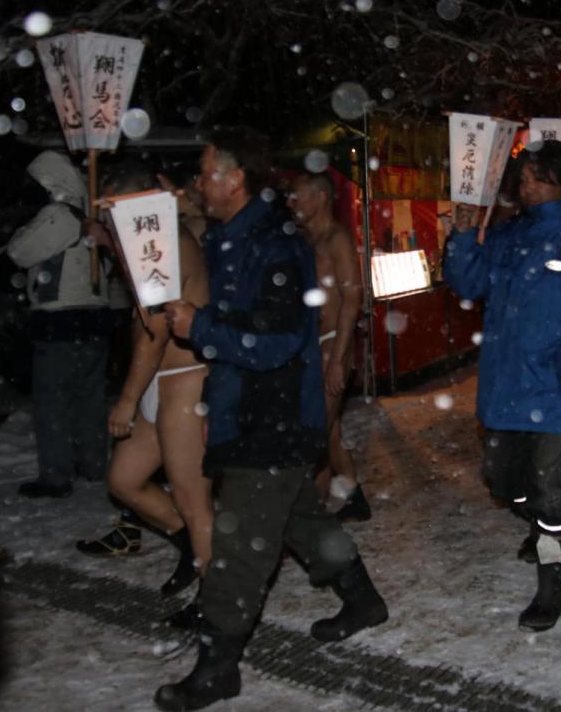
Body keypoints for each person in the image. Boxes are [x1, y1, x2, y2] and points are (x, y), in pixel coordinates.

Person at [157, 128, 387, 711]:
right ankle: (362, 600)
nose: (199, 184)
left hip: (277, 413)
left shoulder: (274, 244)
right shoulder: (234, 236)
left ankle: (217, 667)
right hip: (248, 407)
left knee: (241, 544)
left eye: (206, 174)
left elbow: (280, 339)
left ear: (236, 180)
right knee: (299, 520)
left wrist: (201, 326)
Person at [445, 140, 561, 632]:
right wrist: (461, 237)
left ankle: (551, 590)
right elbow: (468, 284)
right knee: (501, 480)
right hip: (507, 386)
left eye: (538, 178)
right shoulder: (506, 234)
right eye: (524, 178)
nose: (527, 186)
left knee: (553, 489)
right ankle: (540, 528)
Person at [73, 159, 213, 598]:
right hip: (160, 379)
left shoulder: (164, 241)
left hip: (184, 380)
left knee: (194, 500)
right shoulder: (147, 241)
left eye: (113, 210)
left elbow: (155, 333)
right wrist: (111, 245)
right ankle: (191, 546)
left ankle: (217, 602)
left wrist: (127, 400)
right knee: (124, 479)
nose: (108, 219)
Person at [6, 150, 112, 498]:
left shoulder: (59, 215)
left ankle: (56, 474)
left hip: (61, 317)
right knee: (89, 397)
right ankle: (93, 463)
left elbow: (19, 251)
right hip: (93, 316)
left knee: (54, 400)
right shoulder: (90, 213)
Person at [286, 172, 369, 520]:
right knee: (329, 427)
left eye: (297, 194)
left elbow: (353, 297)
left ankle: (312, 512)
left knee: (317, 430)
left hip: (333, 342)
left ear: (320, 196)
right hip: (311, 344)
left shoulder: (336, 238)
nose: (292, 201)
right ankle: (351, 494)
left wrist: (338, 358)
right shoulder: (306, 238)